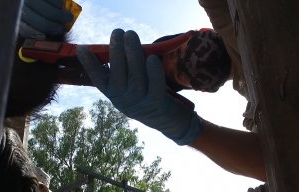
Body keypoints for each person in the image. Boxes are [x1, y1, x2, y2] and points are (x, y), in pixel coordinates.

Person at [76, 1, 266, 182]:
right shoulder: (258, 110)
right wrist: (190, 131)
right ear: (204, 89)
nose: (180, 61)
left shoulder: (226, 14)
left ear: (202, 32)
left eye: (175, 52)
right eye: (178, 73)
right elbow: (270, 163)